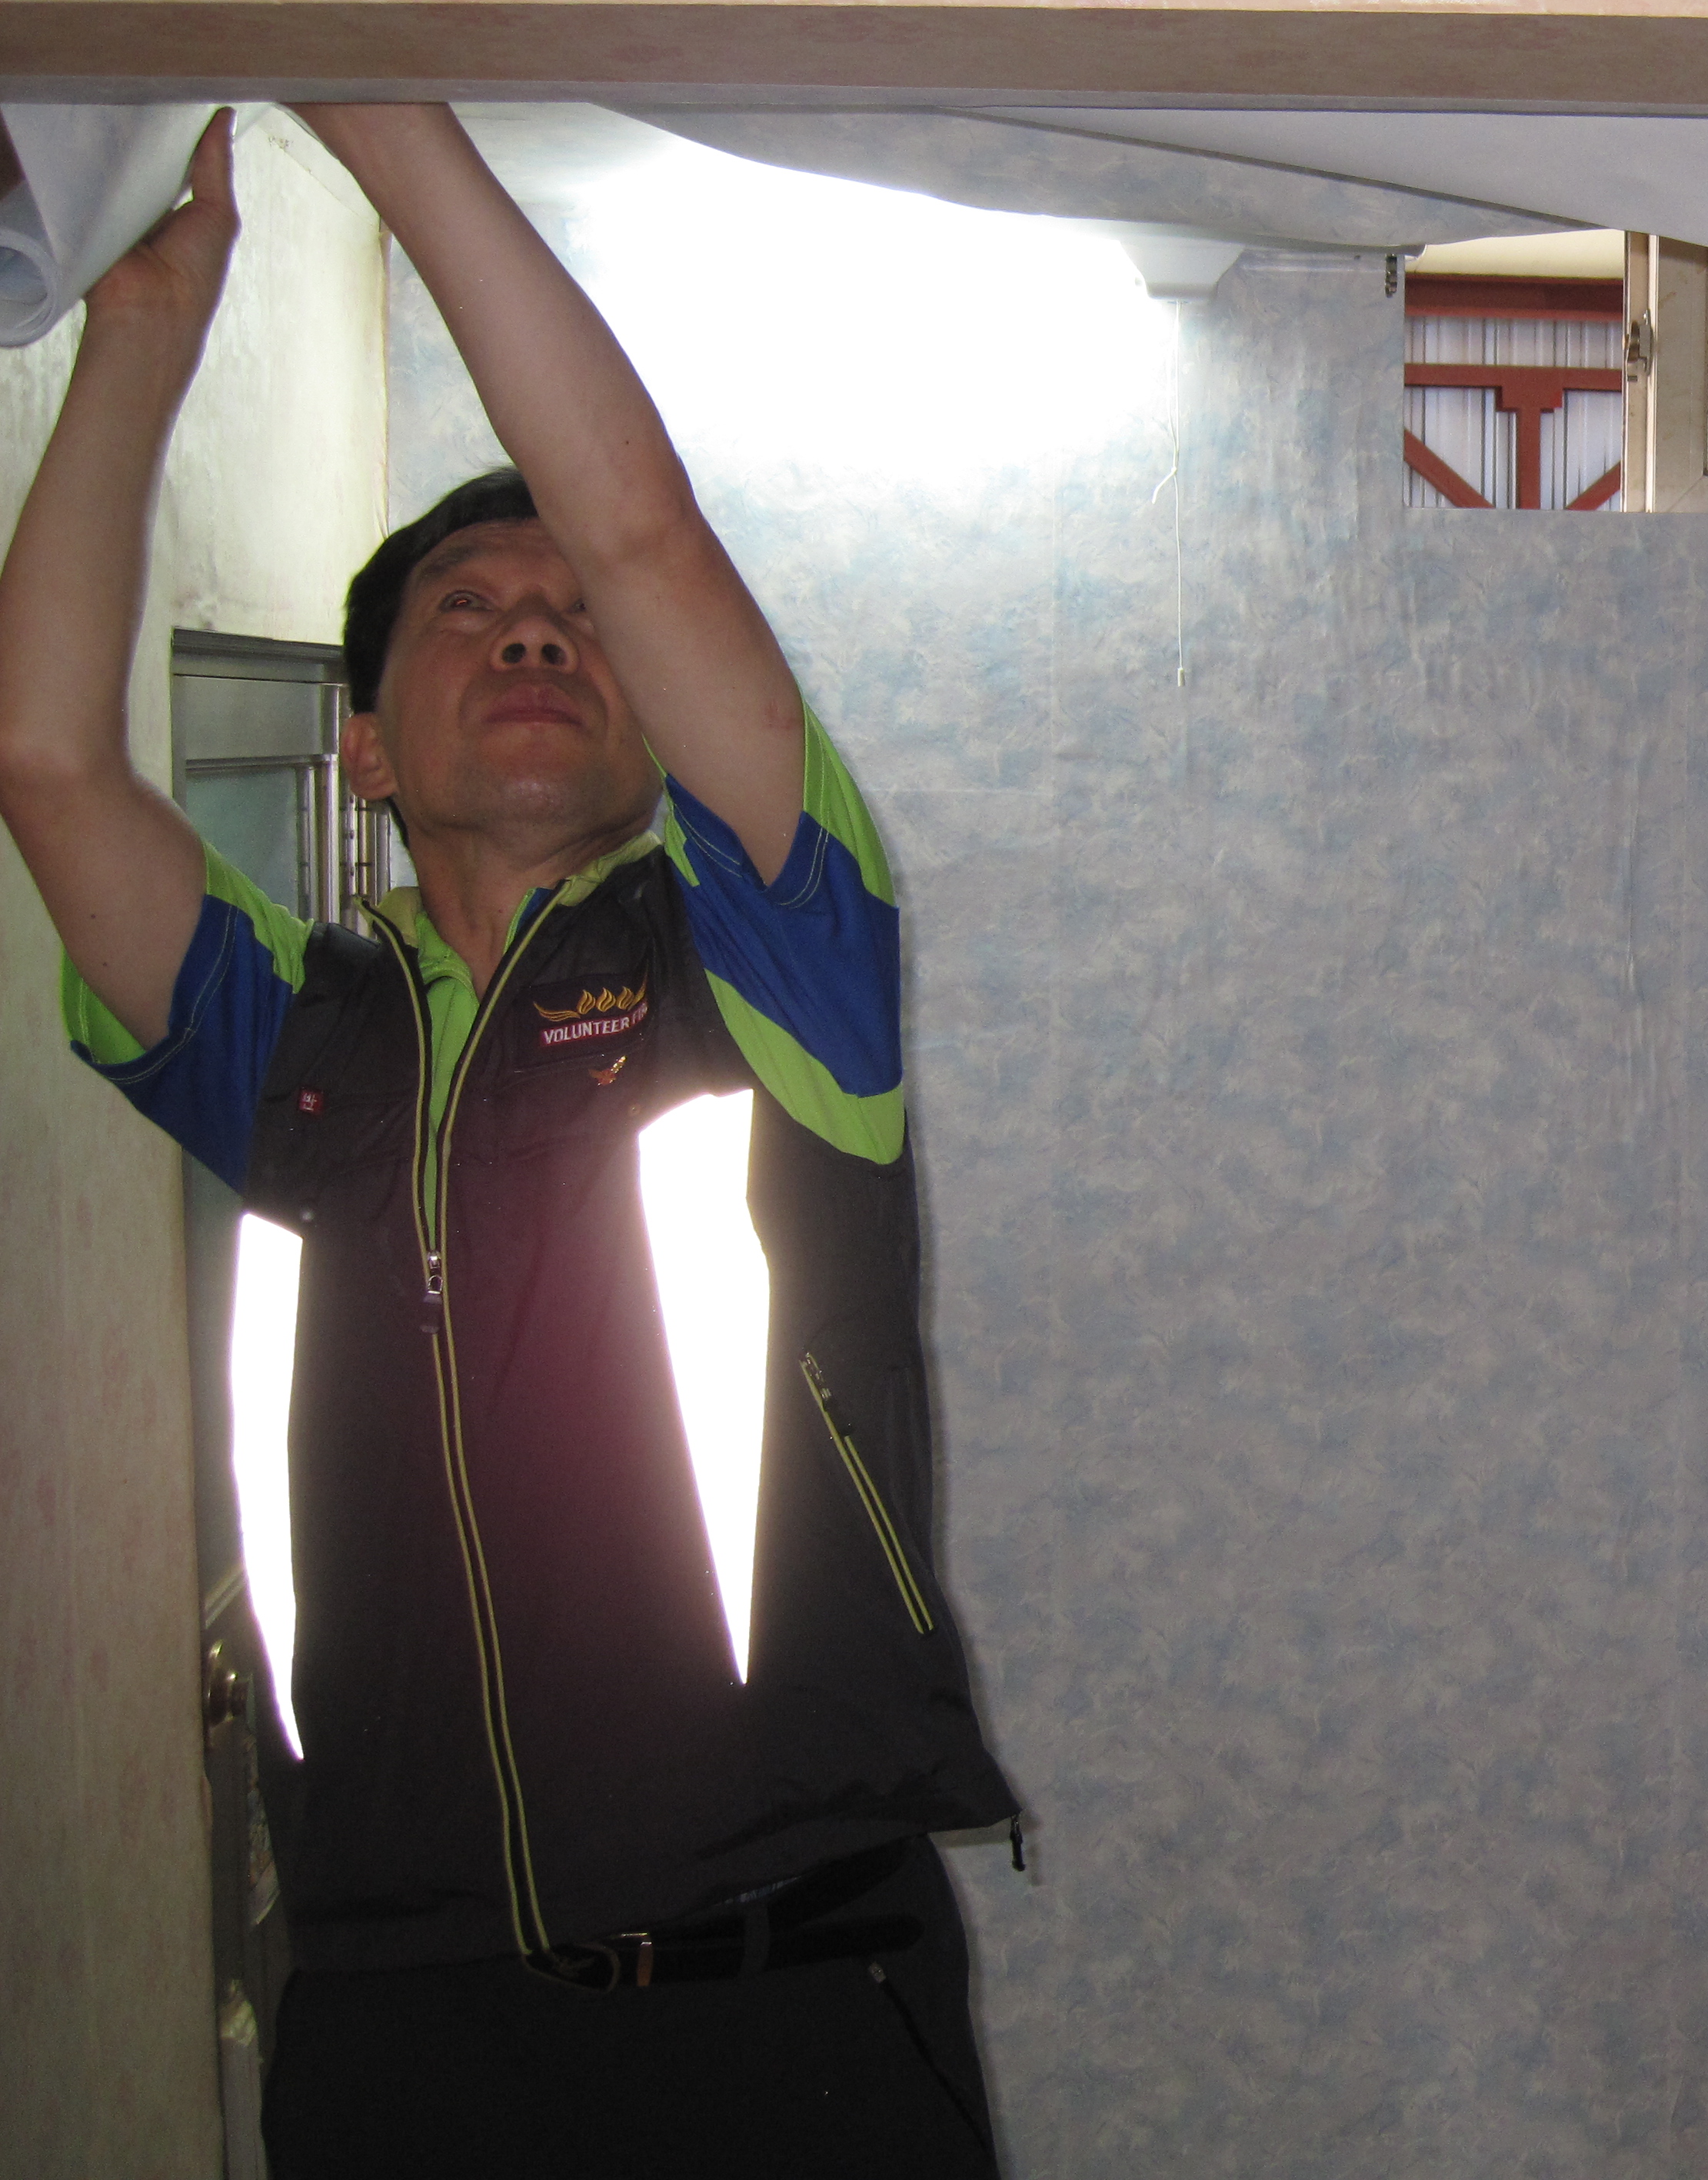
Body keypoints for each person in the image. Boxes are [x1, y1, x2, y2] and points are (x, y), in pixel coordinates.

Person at [0, 108, 1019, 2177]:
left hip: (785, 2000)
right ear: (365, 745)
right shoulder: (290, 1045)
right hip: (404, 2022)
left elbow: (646, 538)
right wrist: (146, 334)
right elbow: (45, 760)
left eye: (576, 619)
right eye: (468, 607)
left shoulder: (769, 967)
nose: (540, 629)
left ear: (655, 727)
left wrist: (385, 116)